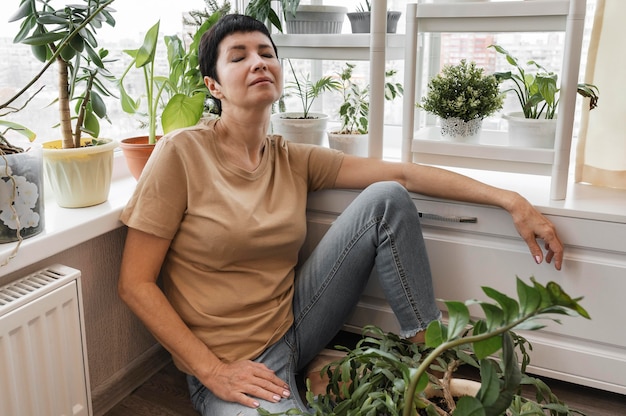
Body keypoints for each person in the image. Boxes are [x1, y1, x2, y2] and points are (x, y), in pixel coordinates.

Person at [117, 14, 563, 416]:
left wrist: (510, 199)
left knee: (385, 198)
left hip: (295, 324)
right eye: (239, 56)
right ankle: (311, 382)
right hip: (230, 362)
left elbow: (404, 175)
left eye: (267, 53)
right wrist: (213, 372)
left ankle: (430, 362)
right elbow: (135, 283)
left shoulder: (291, 157)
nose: (259, 62)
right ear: (213, 86)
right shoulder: (180, 153)